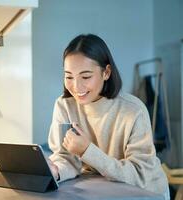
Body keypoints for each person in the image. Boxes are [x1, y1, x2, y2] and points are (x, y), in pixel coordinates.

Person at [47, 34, 169, 199]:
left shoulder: (134, 110)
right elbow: (66, 158)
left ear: (106, 72)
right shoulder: (64, 105)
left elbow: (140, 175)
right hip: (103, 188)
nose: (76, 87)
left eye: (86, 76)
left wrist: (87, 151)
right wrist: (56, 171)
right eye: (69, 76)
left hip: (147, 193)